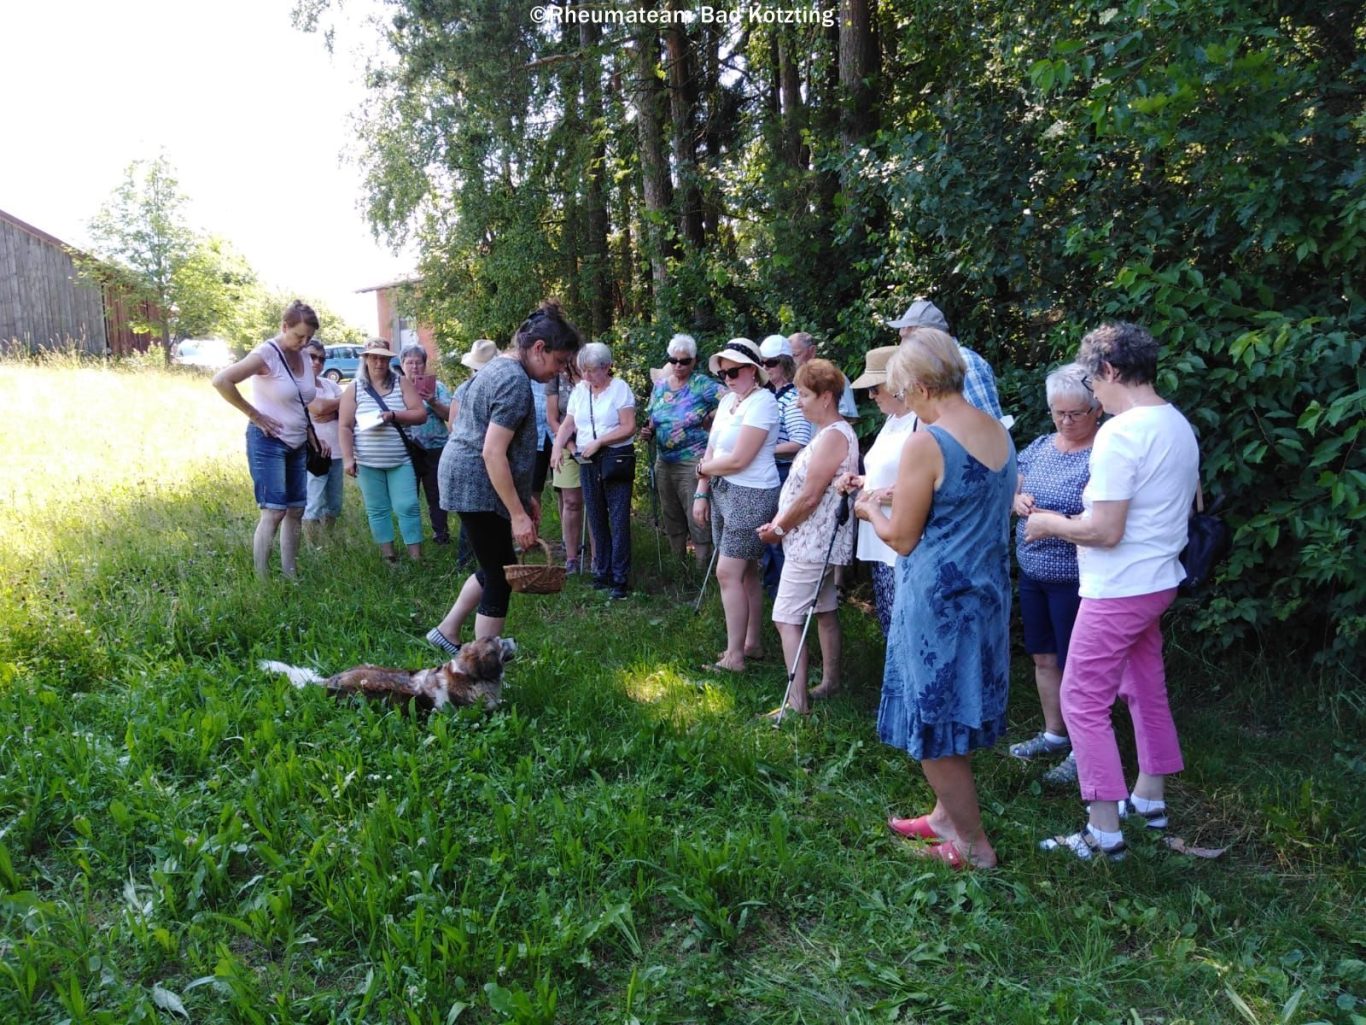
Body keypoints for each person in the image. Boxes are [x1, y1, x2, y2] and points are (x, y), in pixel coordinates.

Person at [1026, 322, 1198, 861]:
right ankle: (1149, 800)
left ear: (1110, 371)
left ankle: (1103, 833)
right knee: (1145, 686)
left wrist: (1050, 523)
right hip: (1158, 581)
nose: (1091, 394)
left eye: (1091, 381)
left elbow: (1105, 531)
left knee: (1081, 698)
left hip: (1119, 588)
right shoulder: (1175, 423)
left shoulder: (1121, 434)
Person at [855, 328, 1015, 870]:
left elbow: (901, 537)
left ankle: (974, 845)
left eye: (902, 392)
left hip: (937, 602)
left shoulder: (927, 441)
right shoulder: (996, 431)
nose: (901, 401)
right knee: (956, 709)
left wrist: (869, 511)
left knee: (935, 724)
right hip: (986, 594)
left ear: (922, 386)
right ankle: (945, 817)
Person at [425, 301, 583, 655]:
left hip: (471, 479)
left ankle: (448, 632)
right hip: (475, 483)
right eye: (559, 362)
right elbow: (492, 452)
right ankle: (482, 665)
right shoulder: (513, 381)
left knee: (495, 563)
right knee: (499, 578)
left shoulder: (499, 368)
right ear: (539, 349)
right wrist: (518, 515)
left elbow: (500, 451)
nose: (558, 372)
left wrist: (524, 497)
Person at [1006, 364, 1102, 785]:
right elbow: (1011, 482)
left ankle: (1086, 750)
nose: (1064, 421)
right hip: (1033, 570)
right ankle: (1054, 732)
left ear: (1096, 409)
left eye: (1074, 414)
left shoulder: (1103, 453)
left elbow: (1101, 519)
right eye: (1057, 412)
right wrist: (1017, 498)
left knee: (1077, 665)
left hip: (1075, 577)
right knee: (1043, 656)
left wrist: (1049, 516)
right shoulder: (1042, 445)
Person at [756, 359, 859, 715]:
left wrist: (779, 528)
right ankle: (830, 682)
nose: (798, 402)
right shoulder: (829, 432)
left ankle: (796, 703)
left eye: (803, 394)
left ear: (826, 397)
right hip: (816, 541)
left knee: (786, 617)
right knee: (825, 610)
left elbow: (811, 496)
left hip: (812, 543)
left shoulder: (833, 436)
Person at [212, 299, 320, 579]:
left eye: (309, 337)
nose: (304, 341)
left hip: (298, 443)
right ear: (284, 326)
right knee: (273, 512)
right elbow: (221, 381)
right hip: (268, 442)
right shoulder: (266, 354)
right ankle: (262, 580)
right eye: (298, 335)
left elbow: (301, 401)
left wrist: (310, 433)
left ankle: (290, 574)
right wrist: (255, 415)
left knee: (296, 509)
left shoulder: (306, 355)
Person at [694, 339, 780, 673]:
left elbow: (741, 459)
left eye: (733, 371)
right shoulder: (730, 400)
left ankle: (735, 657)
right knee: (745, 573)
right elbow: (713, 449)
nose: (727, 378)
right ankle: (751, 643)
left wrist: (703, 470)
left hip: (753, 493)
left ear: (753, 371)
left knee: (727, 572)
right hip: (723, 489)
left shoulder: (763, 403)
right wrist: (702, 490)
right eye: (723, 372)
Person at [550, 342, 637, 599]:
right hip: (587, 459)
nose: (586, 376)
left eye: (591, 371)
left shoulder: (620, 389)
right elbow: (568, 424)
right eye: (583, 370)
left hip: (615, 458)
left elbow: (628, 426)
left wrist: (601, 441)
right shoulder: (580, 390)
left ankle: (620, 578)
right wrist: (557, 448)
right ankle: (602, 572)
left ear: (607, 367)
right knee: (596, 515)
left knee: (619, 518)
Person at [841, 345, 916, 636]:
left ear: (897, 383)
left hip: (902, 540)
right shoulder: (891, 420)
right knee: (889, 623)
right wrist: (863, 481)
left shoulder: (919, 422)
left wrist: (876, 496)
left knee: (906, 627)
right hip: (879, 538)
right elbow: (887, 471)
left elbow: (924, 485)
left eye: (874, 388)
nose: (870, 396)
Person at [338, 339, 428, 564]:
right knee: (377, 509)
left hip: (400, 459)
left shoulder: (401, 383)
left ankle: (416, 557)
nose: (379, 362)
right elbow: (345, 426)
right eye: (374, 357)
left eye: (383, 357)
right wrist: (348, 458)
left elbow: (420, 414)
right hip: (368, 462)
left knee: (407, 505)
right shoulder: (354, 388)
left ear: (389, 360)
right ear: (366, 359)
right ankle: (389, 557)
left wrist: (394, 415)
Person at [641, 333, 723, 570]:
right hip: (663, 460)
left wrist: (710, 417)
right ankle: (677, 565)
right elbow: (653, 417)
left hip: (693, 461)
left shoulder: (702, 385)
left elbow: (734, 400)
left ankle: (702, 566)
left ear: (694, 361)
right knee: (671, 512)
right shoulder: (660, 386)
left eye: (684, 361)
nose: (678, 365)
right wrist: (649, 431)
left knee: (696, 513)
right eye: (673, 360)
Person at [885, 300, 1003, 420]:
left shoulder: (965, 362)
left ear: (926, 335)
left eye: (906, 338)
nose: (902, 345)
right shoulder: (936, 364)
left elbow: (987, 423)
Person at [401, 344, 454, 545]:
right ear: (403, 364)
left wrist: (432, 401)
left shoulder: (438, 387)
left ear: (425, 365)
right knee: (409, 496)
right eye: (410, 362)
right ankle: (413, 537)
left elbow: (450, 415)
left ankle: (441, 534)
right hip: (409, 448)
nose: (414, 367)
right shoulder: (397, 388)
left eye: (419, 363)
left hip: (436, 448)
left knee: (436, 494)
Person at [301, 337, 345, 543]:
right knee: (314, 503)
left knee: (334, 504)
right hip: (315, 453)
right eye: (312, 357)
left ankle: (328, 541)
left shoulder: (329, 383)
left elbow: (350, 406)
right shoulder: (299, 383)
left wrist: (333, 411)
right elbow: (317, 408)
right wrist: (335, 407)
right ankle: (313, 547)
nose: (317, 362)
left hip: (337, 451)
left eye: (321, 359)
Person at [545, 360, 588, 573]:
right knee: (571, 501)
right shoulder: (555, 377)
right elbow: (553, 418)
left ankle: (598, 557)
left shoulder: (592, 374)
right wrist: (569, 445)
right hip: (566, 444)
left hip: (594, 446)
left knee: (595, 501)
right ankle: (571, 557)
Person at [789, 330, 858, 420]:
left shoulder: (832, 377)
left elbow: (848, 417)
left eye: (795, 355)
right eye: (788, 357)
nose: (791, 362)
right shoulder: (788, 382)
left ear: (812, 351)